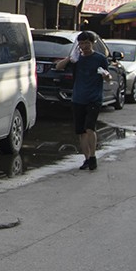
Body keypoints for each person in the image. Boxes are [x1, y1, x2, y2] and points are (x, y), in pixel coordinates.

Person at [56, 30, 108, 171]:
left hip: (94, 99)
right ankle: (86, 158)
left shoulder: (100, 58)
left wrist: (105, 75)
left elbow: (107, 77)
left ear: (92, 43)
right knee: (80, 131)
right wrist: (69, 59)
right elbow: (58, 67)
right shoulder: (76, 59)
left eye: (87, 43)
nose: (85, 46)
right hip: (78, 99)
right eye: (82, 43)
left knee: (89, 128)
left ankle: (93, 156)